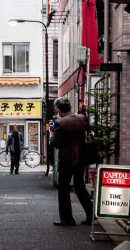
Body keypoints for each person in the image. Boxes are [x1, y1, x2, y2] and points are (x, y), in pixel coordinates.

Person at [51, 97, 93, 227]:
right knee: (79, 186)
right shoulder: (81, 118)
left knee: (63, 188)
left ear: (58, 109)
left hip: (66, 159)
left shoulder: (60, 123)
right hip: (80, 158)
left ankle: (67, 219)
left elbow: (55, 143)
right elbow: (88, 129)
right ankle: (90, 215)